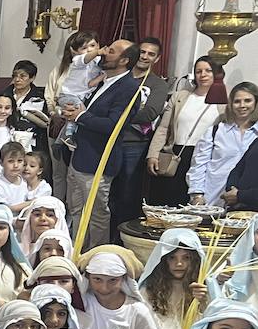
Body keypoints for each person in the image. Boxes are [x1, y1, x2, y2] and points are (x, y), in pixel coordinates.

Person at [62, 40, 144, 250]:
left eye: (111, 51)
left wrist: (80, 115)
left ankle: (96, 256)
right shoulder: (103, 80)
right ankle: (77, 252)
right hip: (81, 156)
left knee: (97, 214)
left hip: (98, 161)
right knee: (77, 211)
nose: (104, 52)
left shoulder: (129, 87)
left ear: (124, 60)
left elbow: (113, 125)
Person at [109, 37, 170, 240]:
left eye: (150, 54)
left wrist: (116, 113)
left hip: (134, 145)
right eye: (142, 52)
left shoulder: (158, 85)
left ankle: (123, 239)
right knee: (106, 193)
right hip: (108, 140)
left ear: (157, 58)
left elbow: (149, 113)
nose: (145, 56)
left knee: (127, 194)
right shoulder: (119, 76)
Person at [148, 57, 226, 205]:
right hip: (176, 154)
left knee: (194, 205)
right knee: (166, 203)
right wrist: (153, 154)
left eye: (208, 71)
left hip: (205, 158)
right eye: (198, 71)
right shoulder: (181, 96)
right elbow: (164, 128)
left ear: (216, 73)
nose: (203, 75)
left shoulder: (224, 101)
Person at [206, 82, 258, 208]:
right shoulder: (216, 131)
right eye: (237, 101)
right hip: (214, 198)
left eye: (247, 101)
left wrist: (240, 195)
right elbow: (239, 168)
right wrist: (197, 194)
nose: (242, 105)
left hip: (247, 205)